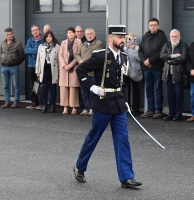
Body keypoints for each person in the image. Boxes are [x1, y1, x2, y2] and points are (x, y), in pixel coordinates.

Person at [73, 24, 142, 188]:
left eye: (123, 38)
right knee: (94, 137)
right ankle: (79, 167)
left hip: (118, 104)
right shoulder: (101, 56)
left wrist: (125, 100)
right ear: (110, 38)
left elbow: (123, 82)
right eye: (119, 37)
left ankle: (126, 177)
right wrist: (91, 87)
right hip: (102, 102)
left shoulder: (124, 56)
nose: (122, 40)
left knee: (122, 140)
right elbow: (81, 70)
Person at [139, 18, 168, 119]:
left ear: (158, 26)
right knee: (148, 89)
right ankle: (150, 109)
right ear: (148, 26)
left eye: (155, 25)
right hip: (146, 67)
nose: (153, 27)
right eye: (151, 25)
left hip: (157, 67)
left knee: (158, 89)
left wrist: (150, 61)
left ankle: (159, 110)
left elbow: (162, 52)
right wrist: (145, 61)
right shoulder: (146, 36)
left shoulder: (162, 37)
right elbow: (140, 50)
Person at [160, 29, 188, 121]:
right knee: (170, 95)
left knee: (179, 95)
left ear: (179, 37)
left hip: (178, 74)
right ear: (170, 36)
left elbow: (183, 58)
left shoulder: (183, 46)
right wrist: (174, 55)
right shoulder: (166, 45)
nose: (174, 38)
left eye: (176, 36)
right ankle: (171, 113)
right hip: (167, 74)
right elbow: (162, 55)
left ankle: (178, 114)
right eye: (172, 36)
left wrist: (170, 61)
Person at [75, 28, 103, 116]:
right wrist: (79, 60)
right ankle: (86, 108)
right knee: (84, 91)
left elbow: (96, 56)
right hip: (83, 73)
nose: (89, 35)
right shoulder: (82, 45)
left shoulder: (99, 44)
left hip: (93, 72)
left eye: (91, 33)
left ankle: (92, 108)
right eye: (87, 34)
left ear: (94, 34)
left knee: (92, 91)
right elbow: (77, 54)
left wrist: (84, 61)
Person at [35, 31, 60, 113]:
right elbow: (38, 59)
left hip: (53, 70)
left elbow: (59, 61)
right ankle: (44, 105)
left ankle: (53, 105)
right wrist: (37, 71)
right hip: (44, 70)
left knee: (53, 88)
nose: (49, 38)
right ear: (45, 38)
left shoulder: (57, 47)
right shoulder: (41, 46)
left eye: (50, 36)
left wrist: (59, 72)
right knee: (44, 88)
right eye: (47, 36)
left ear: (53, 37)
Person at [0, 27, 25, 108]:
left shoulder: (18, 43)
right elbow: (1, 53)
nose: (8, 36)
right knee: (5, 85)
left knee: (16, 85)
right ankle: (7, 101)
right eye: (6, 34)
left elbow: (22, 56)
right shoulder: (3, 43)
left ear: (12, 34)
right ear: (5, 35)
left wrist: (16, 63)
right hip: (4, 67)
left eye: (9, 34)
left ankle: (16, 102)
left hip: (14, 67)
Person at [59, 27, 81, 115]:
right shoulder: (63, 43)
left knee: (73, 88)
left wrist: (70, 65)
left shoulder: (79, 43)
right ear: (67, 34)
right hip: (64, 68)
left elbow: (78, 56)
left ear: (74, 33)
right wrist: (64, 65)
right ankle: (65, 107)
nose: (70, 34)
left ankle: (74, 107)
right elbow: (60, 55)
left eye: (72, 32)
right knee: (64, 88)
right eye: (69, 33)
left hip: (74, 67)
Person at [25, 24, 43, 109]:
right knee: (33, 84)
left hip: (41, 66)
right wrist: (37, 50)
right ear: (32, 32)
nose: (35, 31)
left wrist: (33, 51)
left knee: (41, 84)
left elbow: (42, 50)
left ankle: (42, 103)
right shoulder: (29, 41)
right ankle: (34, 102)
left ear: (39, 31)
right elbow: (26, 50)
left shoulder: (43, 40)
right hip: (31, 65)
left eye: (36, 30)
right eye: (33, 30)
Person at [123, 33, 141, 115]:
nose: (130, 41)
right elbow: (123, 59)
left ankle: (136, 108)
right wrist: (126, 49)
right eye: (128, 39)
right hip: (126, 72)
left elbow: (139, 59)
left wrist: (134, 50)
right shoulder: (124, 49)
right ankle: (127, 108)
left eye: (132, 39)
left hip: (135, 71)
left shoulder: (137, 48)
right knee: (127, 90)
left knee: (136, 90)